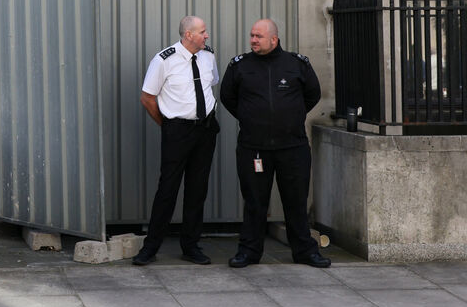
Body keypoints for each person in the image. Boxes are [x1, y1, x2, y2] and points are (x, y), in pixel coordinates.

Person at [219, 18, 331, 268]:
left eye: (258, 36)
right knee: (255, 203)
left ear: (274, 39)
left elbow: (312, 94)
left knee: (296, 202)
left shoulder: (296, 64)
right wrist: (251, 117)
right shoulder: (240, 65)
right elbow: (227, 97)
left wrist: (289, 117)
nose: (253, 41)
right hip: (254, 148)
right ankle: (248, 252)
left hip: (292, 147)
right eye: (252, 36)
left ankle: (304, 251)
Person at [131, 15, 220, 266]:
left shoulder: (208, 56)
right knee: (167, 190)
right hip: (177, 131)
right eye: (203, 31)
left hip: (205, 130)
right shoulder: (164, 60)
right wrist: (168, 126)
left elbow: (210, 85)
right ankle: (150, 248)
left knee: (197, 189)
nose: (207, 35)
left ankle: (191, 246)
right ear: (188, 35)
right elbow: (147, 98)